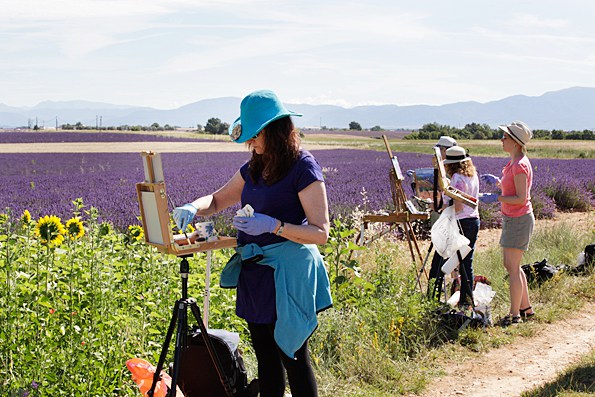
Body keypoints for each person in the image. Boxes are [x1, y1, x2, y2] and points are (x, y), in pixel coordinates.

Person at [173, 89, 332, 397]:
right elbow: (218, 199)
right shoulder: (255, 167)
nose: (252, 144)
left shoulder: (303, 167)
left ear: (273, 132)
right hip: (256, 272)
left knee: (294, 356)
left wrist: (274, 226)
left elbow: (320, 233)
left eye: (255, 136)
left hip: (288, 275)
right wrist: (194, 205)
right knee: (265, 358)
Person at [494, 120, 535, 326]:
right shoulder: (513, 162)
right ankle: (526, 308)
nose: (502, 140)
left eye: (505, 137)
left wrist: (496, 198)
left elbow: (521, 197)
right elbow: (512, 191)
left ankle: (514, 315)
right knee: (512, 266)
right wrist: (499, 184)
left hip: (519, 219)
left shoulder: (519, 165)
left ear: (516, 142)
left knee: (512, 267)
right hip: (513, 218)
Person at [443, 146, 480, 307]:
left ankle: (464, 300)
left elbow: (457, 207)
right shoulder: (472, 176)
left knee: (457, 262)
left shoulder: (457, 178)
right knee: (467, 262)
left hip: (461, 222)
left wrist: (442, 208)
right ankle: (467, 299)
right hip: (473, 220)